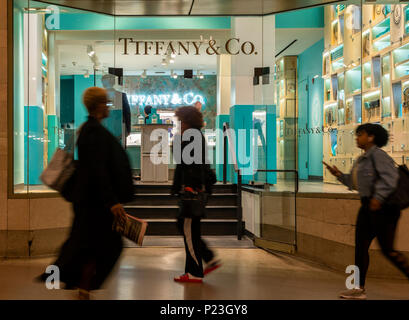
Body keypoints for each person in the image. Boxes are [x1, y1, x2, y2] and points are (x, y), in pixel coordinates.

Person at [38, 87, 134, 299]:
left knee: (90, 245)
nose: (109, 106)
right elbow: (98, 170)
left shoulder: (89, 129)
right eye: (107, 103)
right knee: (103, 245)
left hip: (91, 201)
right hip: (95, 203)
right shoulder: (94, 132)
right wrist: (111, 202)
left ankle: (83, 286)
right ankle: (83, 286)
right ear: (99, 105)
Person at [324, 123, 409, 300]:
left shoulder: (378, 155)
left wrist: (378, 197)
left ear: (371, 137)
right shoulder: (362, 159)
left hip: (383, 209)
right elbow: (355, 184)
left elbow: (390, 178)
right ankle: (358, 288)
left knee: (388, 251)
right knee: (360, 248)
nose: (356, 137)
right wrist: (339, 175)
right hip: (367, 208)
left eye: (360, 134)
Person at [171, 106, 219, 283]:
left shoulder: (191, 137)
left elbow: (186, 165)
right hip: (194, 191)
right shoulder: (196, 136)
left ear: (187, 121)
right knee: (191, 231)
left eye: (181, 121)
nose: (180, 125)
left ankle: (195, 272)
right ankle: (200, 263)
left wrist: (188, 187)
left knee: (189, 231)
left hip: (191, 193)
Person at [101, 74, 131, 138]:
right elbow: (127, 113)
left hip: (117, 128)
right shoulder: (121, 95)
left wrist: (128, 129)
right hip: (109, 128)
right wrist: (128, 130)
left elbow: (127, 113)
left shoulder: (121, 95)